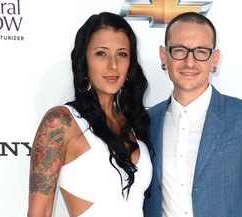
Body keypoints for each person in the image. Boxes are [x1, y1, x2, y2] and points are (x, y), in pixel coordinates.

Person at [143, 12, 242, 217]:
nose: (190, 62)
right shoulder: (147, 122)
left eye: (201, 51)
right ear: (164, 55)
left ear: (214, 59)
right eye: (180, 50)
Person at [27, 12, 152, 217]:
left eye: (122, 54)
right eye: (101, 53)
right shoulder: (61, 122)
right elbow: (38, 212)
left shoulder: (135, 122)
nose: (113, 65)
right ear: (83, 60)